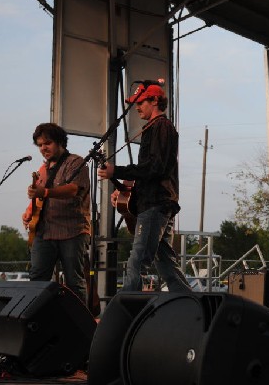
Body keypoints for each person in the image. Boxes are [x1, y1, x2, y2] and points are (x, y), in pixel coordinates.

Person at [97, 82, 191, 293]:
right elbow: (149, 172)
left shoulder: (162, 127)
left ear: (155, 101)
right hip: (155, 202)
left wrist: (117, 171)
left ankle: (127, 315)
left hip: (156, 204)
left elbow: (156, 168)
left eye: (140, 102)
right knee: (165, 263)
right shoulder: (152, 128)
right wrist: (124, 190)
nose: (136, 107)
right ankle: (192, 305)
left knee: (136, 263)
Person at [22, 123, 91, 304]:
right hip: (44, 232)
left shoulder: (76, 162)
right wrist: (29, 212)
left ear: (60, 142)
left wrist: (43, 192)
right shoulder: (43, 170)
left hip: (72, 232)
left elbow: (73, 189)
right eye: (40, 145)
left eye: (48, 143)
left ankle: (80, 326)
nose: (43, 148)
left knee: (74, 283)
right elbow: (39, 199)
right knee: (37, 280)